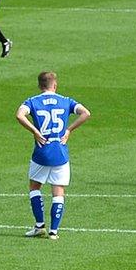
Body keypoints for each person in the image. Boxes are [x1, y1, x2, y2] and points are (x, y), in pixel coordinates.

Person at [17, 70, 91, 239]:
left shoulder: (32, 101)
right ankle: (54, 232)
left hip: (41, 152)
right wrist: (69, 130)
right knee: (58, 192)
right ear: (55, 85)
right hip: (60, 153)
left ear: (39, 85)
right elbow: (86, 113)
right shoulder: (66, 101)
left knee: (35, 187)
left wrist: (35, 131)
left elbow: (19, 115)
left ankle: (39, 226)